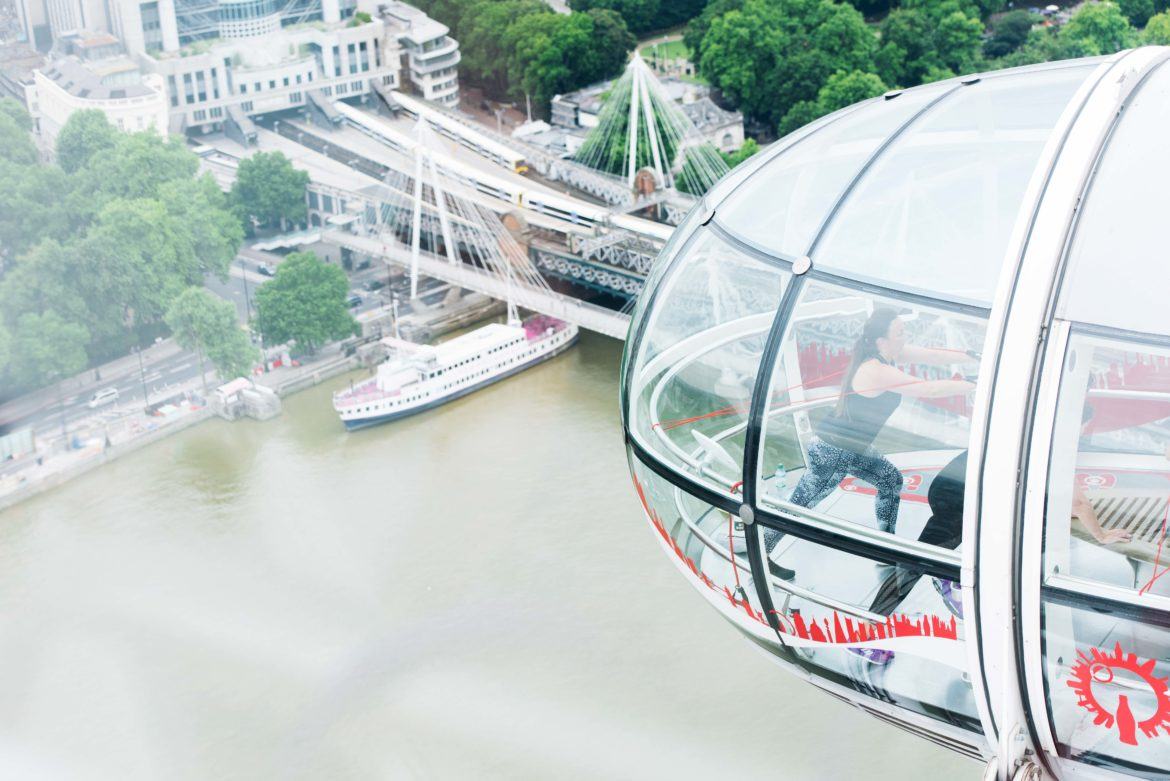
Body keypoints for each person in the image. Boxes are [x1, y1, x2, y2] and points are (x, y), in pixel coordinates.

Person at [763, 308, 977, 578]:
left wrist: (973, 357)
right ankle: (759, 550)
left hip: (854, 448)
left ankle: (884, 547)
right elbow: (927, 389)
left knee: (889, 480)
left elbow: (932, 355)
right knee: (799, 507)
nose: (905, 337)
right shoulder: (875, 370)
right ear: (881, 341)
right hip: (832, 451)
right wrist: (971, 385)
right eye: (900, 333)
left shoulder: (890, 353)